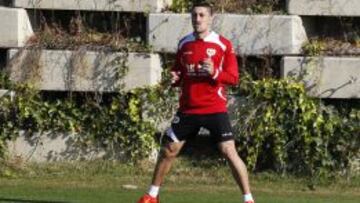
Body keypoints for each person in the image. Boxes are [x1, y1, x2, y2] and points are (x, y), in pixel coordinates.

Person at [137, 2, 254, 203]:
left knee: (229, 151)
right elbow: (179, 72)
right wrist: (175, 78)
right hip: (188, 109)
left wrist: (214, 72)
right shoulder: (184, 43)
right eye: (194, 15)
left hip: (214, 109)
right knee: (168, 150)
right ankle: (152, 196)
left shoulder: (223, 44)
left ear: (211, 18)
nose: (197, 19)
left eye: (201, 15)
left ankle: (248, 199)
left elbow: (233, 78)